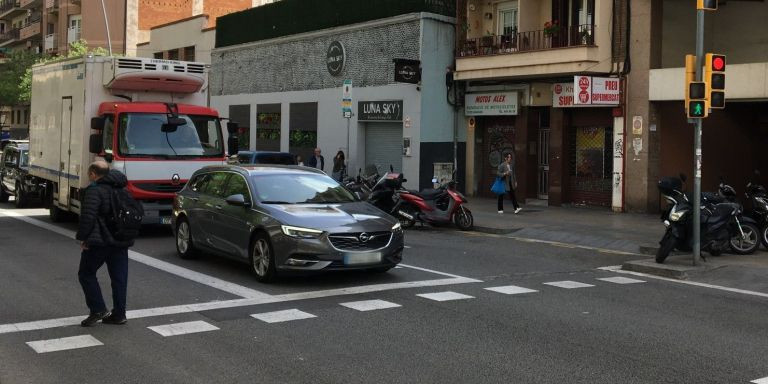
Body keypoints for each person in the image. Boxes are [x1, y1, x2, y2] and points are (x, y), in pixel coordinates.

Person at [75, 161, 134, 327]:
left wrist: (83, 238)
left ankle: (98, 308)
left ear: (93, 173)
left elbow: (88, 217)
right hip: (121, 240)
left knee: (86, 273)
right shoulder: (122, 189)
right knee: (119, 278)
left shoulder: (94, 190)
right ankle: (119, 314)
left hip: (100, 241)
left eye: (89, 174)